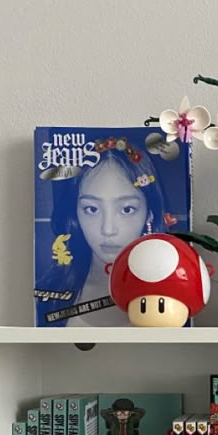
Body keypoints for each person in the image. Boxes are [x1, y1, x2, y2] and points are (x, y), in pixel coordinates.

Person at [35, 135, 184, 327]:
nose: (108, 229)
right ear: (75, 213)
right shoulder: (49, 293)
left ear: (150, 214)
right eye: (92, 209)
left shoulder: (174, 295)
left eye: (127, 209)